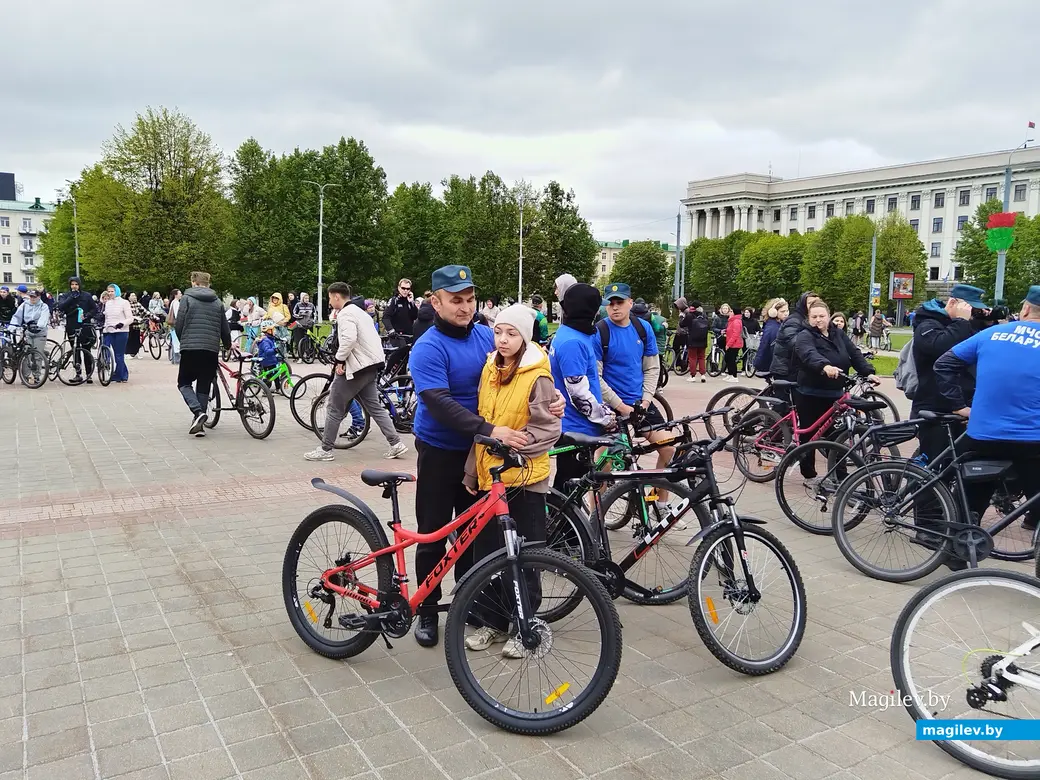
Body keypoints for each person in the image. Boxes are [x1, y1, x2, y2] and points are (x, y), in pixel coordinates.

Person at [409, 265, 565, 647]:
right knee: (432, 533)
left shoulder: (486, 336)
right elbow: (439, 402)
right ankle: (427, 609)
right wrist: (490, 429)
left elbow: (523, 369)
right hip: (440, 451)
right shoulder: (427, 347)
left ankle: (470, 606)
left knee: (475, 537)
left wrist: (551, 397)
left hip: (481, 456)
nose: (465, 307)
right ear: (436, 302)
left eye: (470, 299)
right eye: (455, 300)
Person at [461, 304, 560, 656]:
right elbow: (483, 421)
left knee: (525, 556)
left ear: (525, 337)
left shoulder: (538, 375)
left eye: (512, 333)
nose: (503, 339)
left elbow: (548, 428)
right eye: (499, 332)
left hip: (525, 479)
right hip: (492, 480)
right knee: (488, 555)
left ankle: (525, 626)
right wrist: (472, 469)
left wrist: (518, 447)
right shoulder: (490, 368)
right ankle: (492, 622)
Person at [933, 285, 1040, 536]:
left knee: (971, 497)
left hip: (984, 434)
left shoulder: (992, 333)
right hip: (1033, 439)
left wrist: (959, 406)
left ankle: (961, 543)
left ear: (1025, 309)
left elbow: (944, 364)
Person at [304, 282, 408, 462]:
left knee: (334, 407)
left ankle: (325, 449)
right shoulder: (361, 313)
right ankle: (396, 443)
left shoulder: (345, 314)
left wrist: (339, 359)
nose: (329, 301)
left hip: (357, 368)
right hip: (371, 366)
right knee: (374, 407)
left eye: (329, 298)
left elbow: (349, 339)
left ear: (337, 296)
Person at [597, 282, 676, 489]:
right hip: (610, 405)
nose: (615, 307)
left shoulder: (643, 328)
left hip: (640, 402)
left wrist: (647, 400)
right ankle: (599, 508)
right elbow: (596, 377)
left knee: (669, 449)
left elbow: (651, 368)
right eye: (611, 303)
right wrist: (620, 406)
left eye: (620, 302)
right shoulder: (600, 330)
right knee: (603, 463)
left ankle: (660, 501)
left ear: (630, 303)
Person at [793, 299, 879, 479]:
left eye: (822, 316)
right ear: (808, 318)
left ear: (829, 316)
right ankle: (808, 472)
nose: (818, 320)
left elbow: (854, 353)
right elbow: (809, 353)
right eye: (814, 317)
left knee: (837, 437)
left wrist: (868, 372)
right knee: (809, 434)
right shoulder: (804, 335)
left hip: (835, 394)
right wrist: (824, 366)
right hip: (810, 393)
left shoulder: (838, 333)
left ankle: (841, 477)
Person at [549, 283, 617, 491]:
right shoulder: (573, 342)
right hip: (576, 428)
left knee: (572, 489)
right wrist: (606, 418)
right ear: (590, 311)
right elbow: (578, 393)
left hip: (578, 425)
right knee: (568, 491)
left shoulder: (572, 333)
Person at [174, 272, 231, 436]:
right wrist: (227, 345)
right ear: (208, 283)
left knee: (184, 383)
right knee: (204, 385)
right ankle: (199, 425)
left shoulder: (186, 298)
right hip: (211, 349)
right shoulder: (217, 301)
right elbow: (224, 328)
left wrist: (183, 340)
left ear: (194, 282)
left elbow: (179, 324)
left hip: (190, 348)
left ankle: (198, 412)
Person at [769, 291, 817, 391]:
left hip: (799, 368)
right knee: (786, 399)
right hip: (786, 369)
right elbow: (796, 343)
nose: (814, 305)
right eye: (810, 303)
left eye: (816, 303)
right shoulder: (794, 321)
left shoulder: (812, 320)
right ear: (803, 304)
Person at [56, 276, 98, 383]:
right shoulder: (65, 296)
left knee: (86, 349)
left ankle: (89, 374)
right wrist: (71, 297)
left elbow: (94, 309)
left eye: (76, 284)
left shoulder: (86, 295)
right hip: (72, 325)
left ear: (79, 285)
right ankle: (78, 373)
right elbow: (61, 306)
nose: (74, 286)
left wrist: (87, 315)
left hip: (84, 325)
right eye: (72, 284)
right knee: (75, 350)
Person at [9, 288, 49, 381]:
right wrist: (13, 325)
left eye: (35, 297)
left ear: (39, 297)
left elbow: (44, 317)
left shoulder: (43, 306)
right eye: (31, 296)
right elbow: (17, 316)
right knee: (27, 354)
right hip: (28, 331)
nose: (32, 298)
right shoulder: (24, 305)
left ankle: (36, 376)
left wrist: (39, 325)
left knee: (38, 355)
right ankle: (25, 376)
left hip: (40, 332)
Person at [101, 284, 133, 382]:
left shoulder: (124, 303)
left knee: (119, 355)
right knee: (108, 351)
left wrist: (122, 324)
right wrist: (104, 328)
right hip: (109, 331)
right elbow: (107, 318)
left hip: (121, 331)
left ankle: (122, 375)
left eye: (112, 291)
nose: (110, 293)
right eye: (109, 291)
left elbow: (130, 318)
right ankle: (121, 374)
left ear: (117, 292)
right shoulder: (108, 303)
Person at [753, 298, 787, 375]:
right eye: (782, 311)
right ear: (773, 312)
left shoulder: (778, 325)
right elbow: (765, 347)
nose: (786, 314)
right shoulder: (774, 328)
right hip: (775, 366)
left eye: (787, 311)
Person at [682, 300, 710, 382]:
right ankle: (703, 375)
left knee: (692, 358)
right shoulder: (704, 315)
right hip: (703, 339)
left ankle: (693, 376)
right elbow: (708, 326)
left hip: (692, 339)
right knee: (702, 357)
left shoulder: (690, 315)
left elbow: (682, 324)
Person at [723, 307, 744, 381]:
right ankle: (730, 374)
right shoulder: (732, 321)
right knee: (728, 358)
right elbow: (731, 330)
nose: (730, 312)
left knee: (731, 359)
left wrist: (728, 344)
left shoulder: (736, 321)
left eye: (731, 311)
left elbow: (736, 334)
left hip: (735, 344)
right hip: (732, 342)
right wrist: (726, 331)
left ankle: (734, 376)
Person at [127, 292, 147, 359]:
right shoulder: (127, 304)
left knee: (137, 339)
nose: (134, 297)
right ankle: (128, 353)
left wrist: (154, 317)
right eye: (132, 295)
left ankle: (136, 352)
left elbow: (145, 311)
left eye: (135, 295)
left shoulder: (138, 304)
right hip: (130, 325)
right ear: (129, 297)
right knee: (130, 339)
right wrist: (134, 317)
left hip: (137, 325)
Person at [167, 289, 183, 365]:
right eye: (180, 293)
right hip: (176, 324)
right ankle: (177, 359)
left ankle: (174, 359)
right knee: (177, 342)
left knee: (174, 341)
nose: (181, 295)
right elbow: (177, 315)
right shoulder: (176, 303)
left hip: (172, 324)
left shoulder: (173, 302)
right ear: (175, 295)